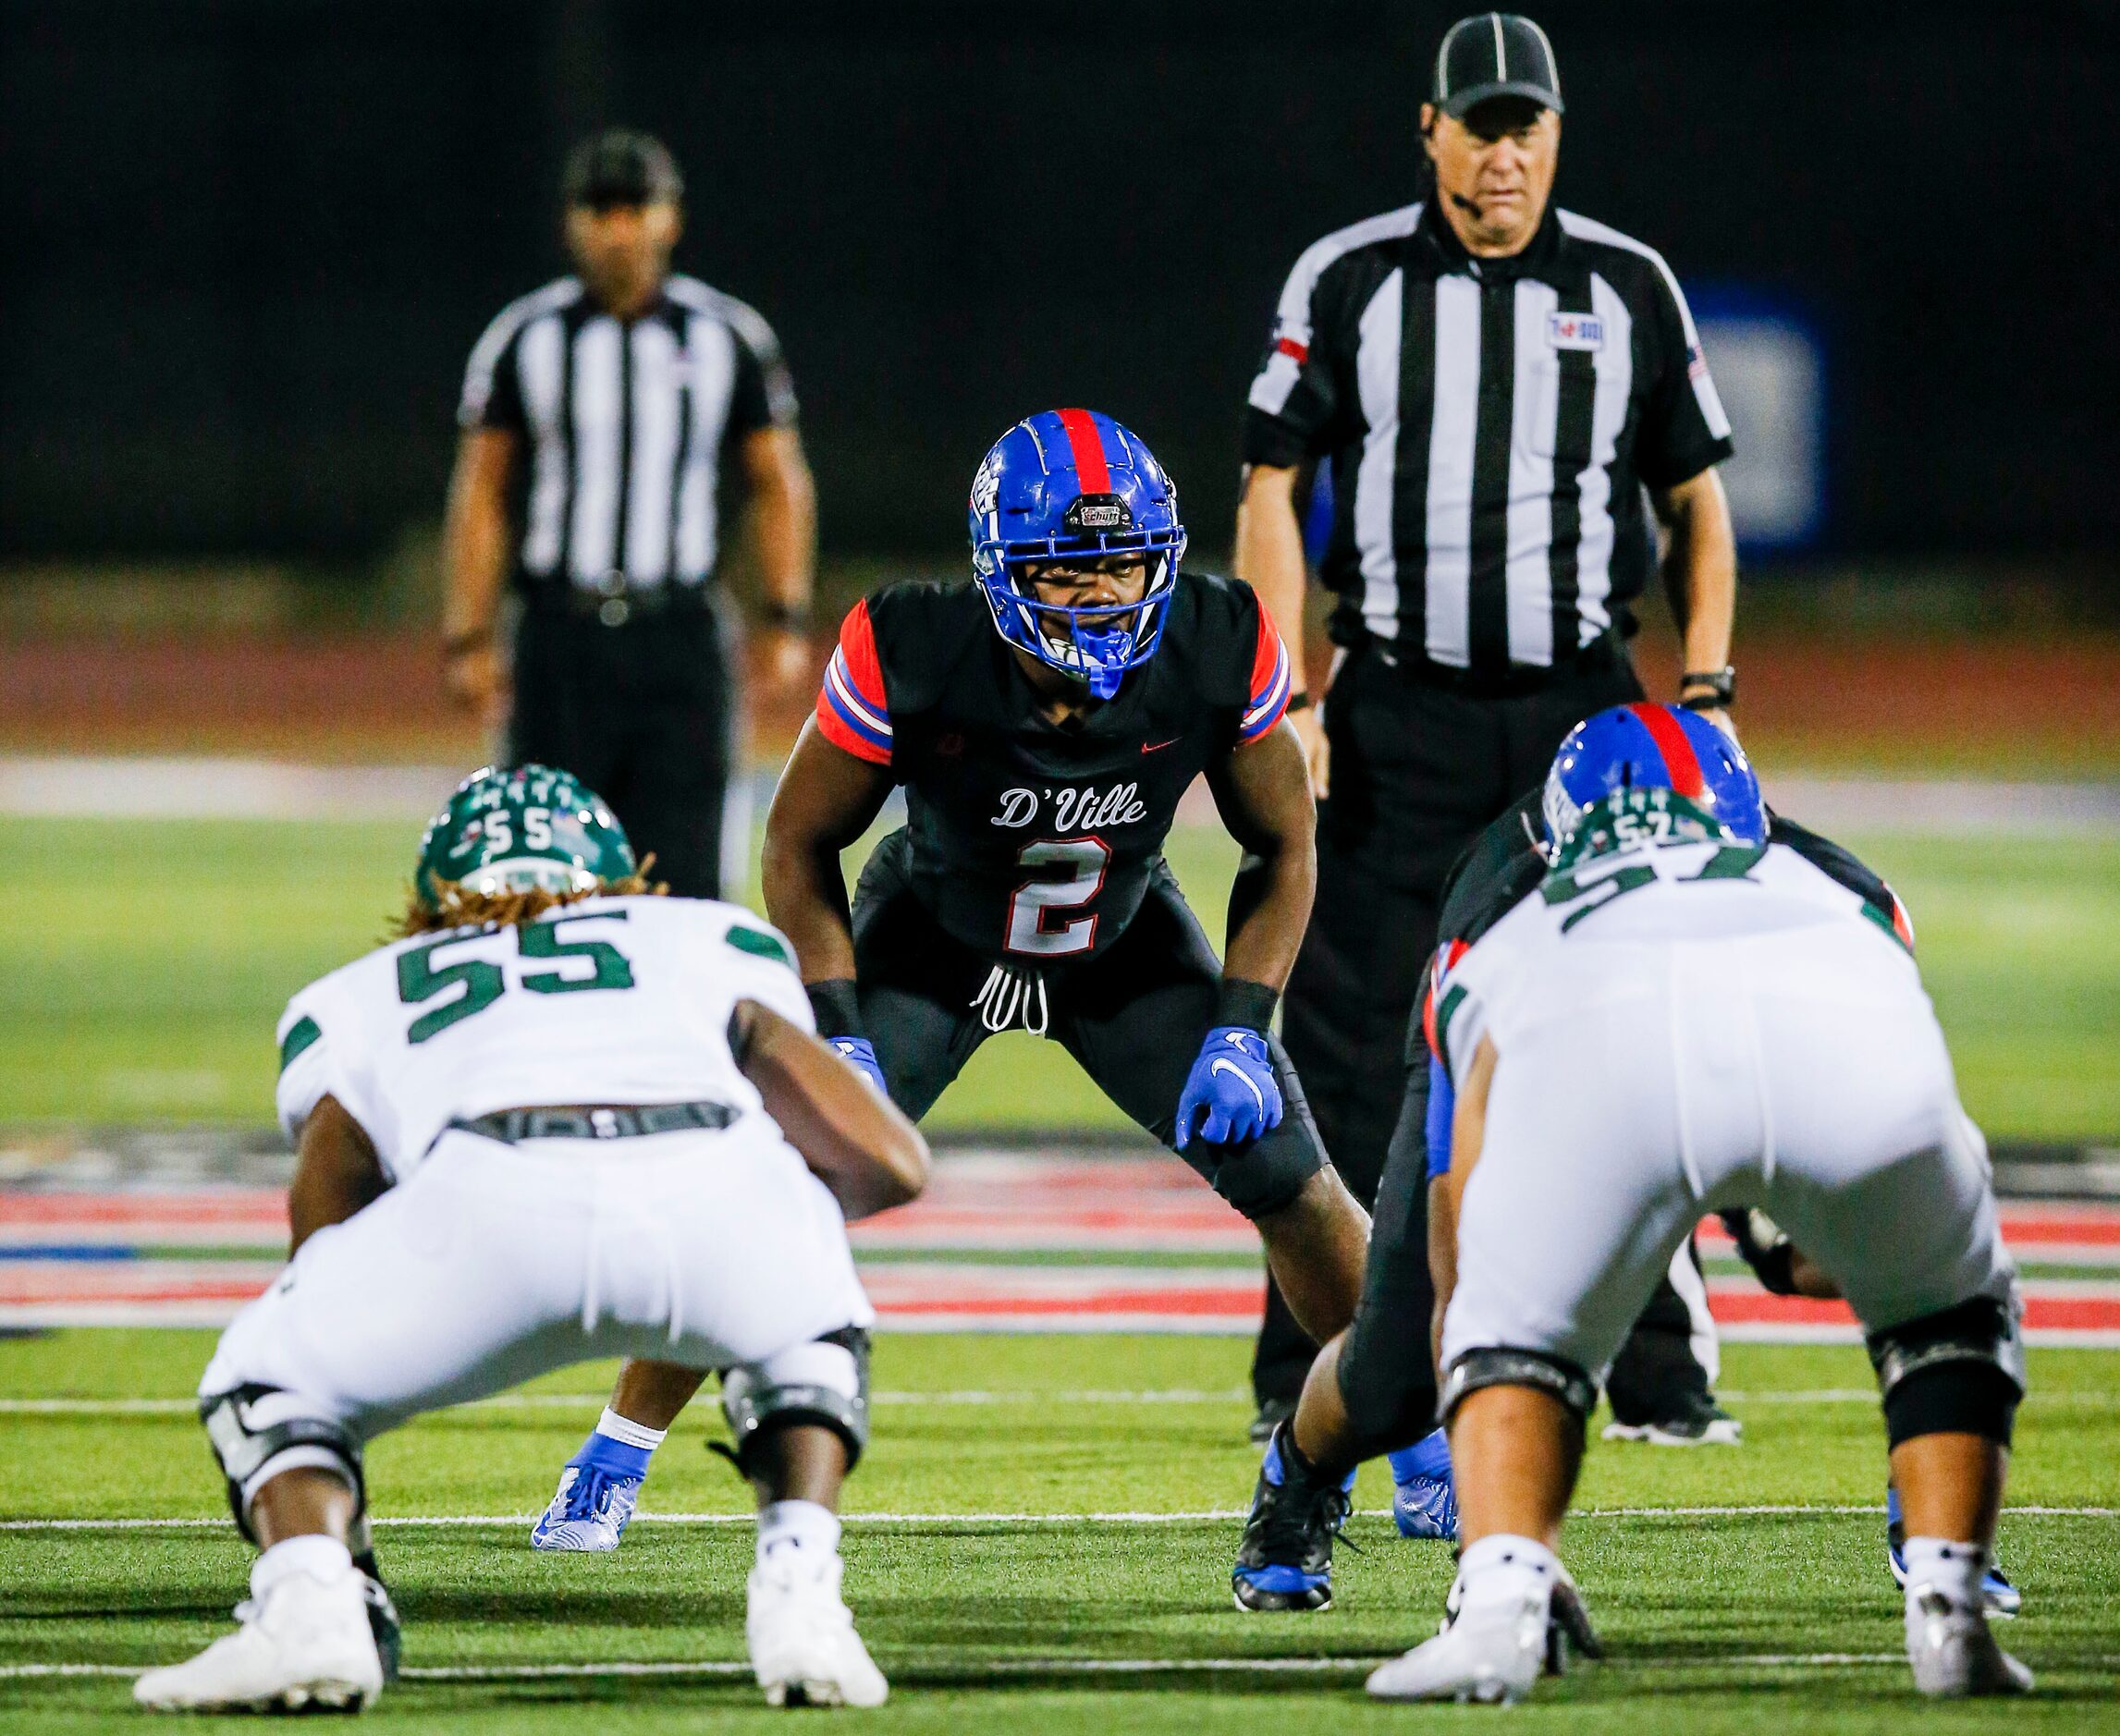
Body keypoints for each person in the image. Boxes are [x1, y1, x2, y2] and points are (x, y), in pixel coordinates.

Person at [528, 410, 1373, 1558]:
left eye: (1124, 563)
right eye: (1068, 574)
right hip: (934, 935)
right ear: (999, 574)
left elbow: (1284, 846)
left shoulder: (1220, 635)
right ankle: (613, 1454)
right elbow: (794, 845)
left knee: (1293, 1174)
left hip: (1116, 940)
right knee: (775, 1179)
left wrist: (1239, 1024)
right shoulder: (912, 641)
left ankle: (1416, 1439)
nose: (1106, 594)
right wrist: (841, 1032)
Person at [1244, 705, 2030, 1704]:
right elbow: (1900, 1136)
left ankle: (1496, 1607)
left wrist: (1489, 1361)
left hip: (1593, 1045)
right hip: (1780, 1043)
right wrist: (1873, 1268)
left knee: (1500, 1334)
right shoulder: (1837, 886)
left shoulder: (1512, 905)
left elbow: (1464, 1214)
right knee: (1947, 1310)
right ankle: (1946, 1593)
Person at [131, 764, 927, 1714]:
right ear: (613, 872)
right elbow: (891, 1161)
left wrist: (347, 1361)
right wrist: (771, 1226)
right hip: (706, 1195)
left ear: (434, 891)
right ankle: (802, 1594)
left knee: (258, 1374)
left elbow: (325, 1217)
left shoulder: (358, 990)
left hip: (487, 1201)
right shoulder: (712, 937)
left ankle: (310, 1608)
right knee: (807, 1308)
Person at [1234, 11, 1743, 1452]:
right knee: (1341, 1031)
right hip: (1395, 703)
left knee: (1630, 1023)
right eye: (1480, 124)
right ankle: (1318, 1357)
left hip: (1584, 713)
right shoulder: (1351, 280)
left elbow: (1696, 497)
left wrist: (1702, 688)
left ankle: (1654, 1359)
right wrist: (1290, 695)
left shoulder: (1627, 284)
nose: (1502, 152)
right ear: (1430, 129)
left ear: (1556, 137)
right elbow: (1270, 484)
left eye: (1527, 126)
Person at [444, 128, 817, 899]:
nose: (618, 230)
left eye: (634, 208)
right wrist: (469, 633)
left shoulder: (725, 336)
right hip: (558, 638)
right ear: (571, 223)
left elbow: (777, 482)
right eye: (599, 210)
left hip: (677, 636)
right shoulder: (525, 338)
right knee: (536, 883)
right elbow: (480, 490)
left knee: (685, 891)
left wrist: (783, 614)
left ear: (669, 218)